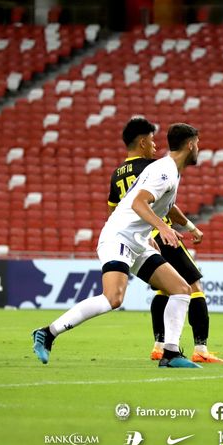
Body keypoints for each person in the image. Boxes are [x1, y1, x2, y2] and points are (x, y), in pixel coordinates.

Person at [31, 123, 203, 368]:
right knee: (113, 298)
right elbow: (139, 204)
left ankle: (171, 354)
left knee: (181, 289)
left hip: (138, 241)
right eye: (198, 144)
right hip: (118, 238)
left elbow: (165, 205)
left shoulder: (171, 170)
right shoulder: (164, 170)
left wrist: (190, 227)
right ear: (190, 144)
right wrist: (163, 228)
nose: (199, 149)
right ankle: (47, 332)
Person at [108, 117, 223, 364]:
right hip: (161, 233)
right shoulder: (156, 168)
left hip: (134, 235)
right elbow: (160, 205)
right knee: (193, 286)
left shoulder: (117, 174)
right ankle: (199, 349)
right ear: (141, 142)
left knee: (167, 288)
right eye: (151, 140)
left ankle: (160, 345)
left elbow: (115, 212)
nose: (154, 145)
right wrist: (179, 228)